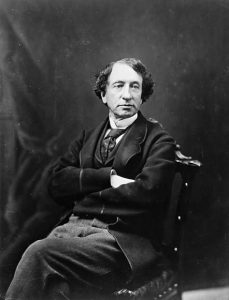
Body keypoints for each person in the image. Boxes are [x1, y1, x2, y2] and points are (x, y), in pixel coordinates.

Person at [5, 58, 176, 300]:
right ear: (104, 95)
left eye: (134, 87)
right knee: (56, 289)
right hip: (72, 234)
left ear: (142, 95)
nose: (127, 95)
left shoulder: (159, 141)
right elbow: (55, 184)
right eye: (118, 86)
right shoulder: (86, 139)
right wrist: (111, 179)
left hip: (119, 241)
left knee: (38, 253)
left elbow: (148, 193)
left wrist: (83, 188)